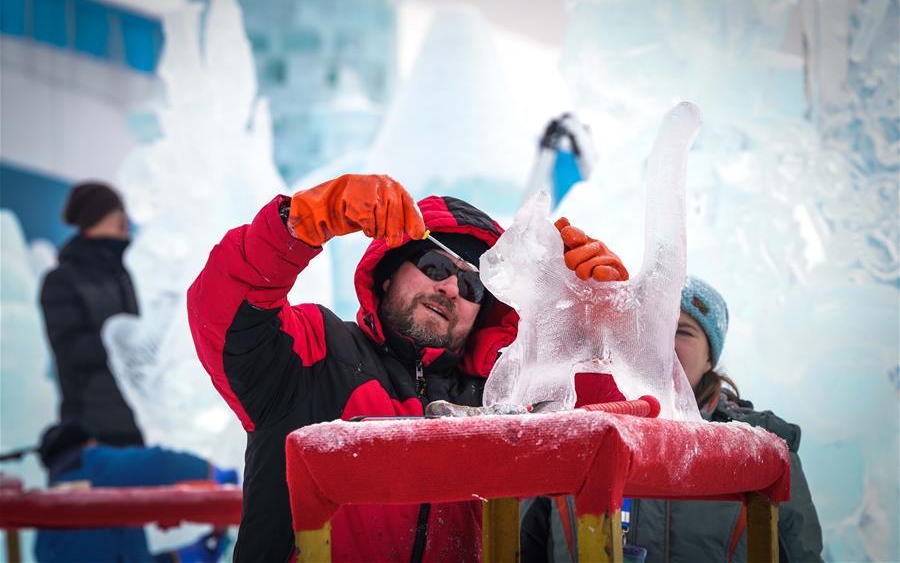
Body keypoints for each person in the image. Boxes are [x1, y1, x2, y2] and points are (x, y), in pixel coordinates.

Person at [187, 174, 628, 561]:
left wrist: (590, 325)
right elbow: (224, 312)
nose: (451, 287)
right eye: (434, 265)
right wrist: (298, 224)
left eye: (473, 285)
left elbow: (600, 441)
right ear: (387, 275)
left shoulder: (503, 395)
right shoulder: (316, 351)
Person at [520, 275, 824, 563]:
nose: (663, 343)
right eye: (651, 329)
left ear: (710, 359)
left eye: (683, 331)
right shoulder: (574, 432)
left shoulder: (762, 443)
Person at [33, 421, 235, 563]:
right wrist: (213, 475)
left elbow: (115, 553)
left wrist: (190, 555)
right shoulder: (89, 465)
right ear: (89, 444)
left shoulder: (45, 533)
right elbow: (158, 463)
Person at [40, 182, 143, 447]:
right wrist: (122, 339)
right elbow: (70, 349)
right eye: (118, 211)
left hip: (137, 422)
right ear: (100, 216)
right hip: (92, 431)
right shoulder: (61, 280)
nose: (126, 220)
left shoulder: (124, 274)